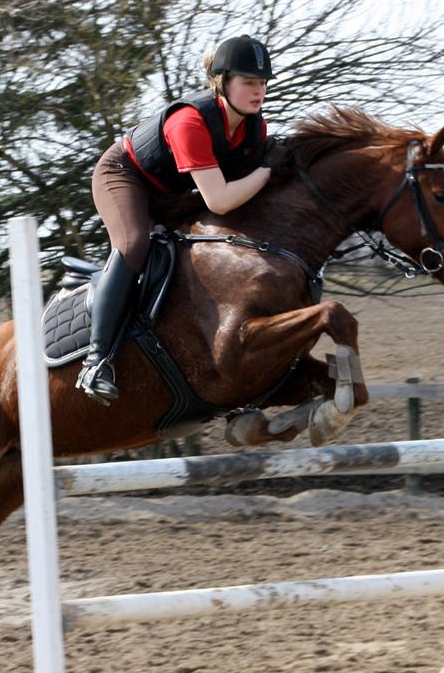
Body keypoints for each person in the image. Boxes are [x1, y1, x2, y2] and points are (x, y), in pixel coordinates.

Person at [77, 34, 291, 404]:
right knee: (133, 244)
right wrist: (266, 173)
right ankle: (96, 362)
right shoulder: (189, 121)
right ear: (222, 83)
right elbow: (221, 199)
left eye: (262, 84)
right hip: (124, 176)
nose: (259, 92)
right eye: (249, 83)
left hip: (172, 192)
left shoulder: (255, 126)